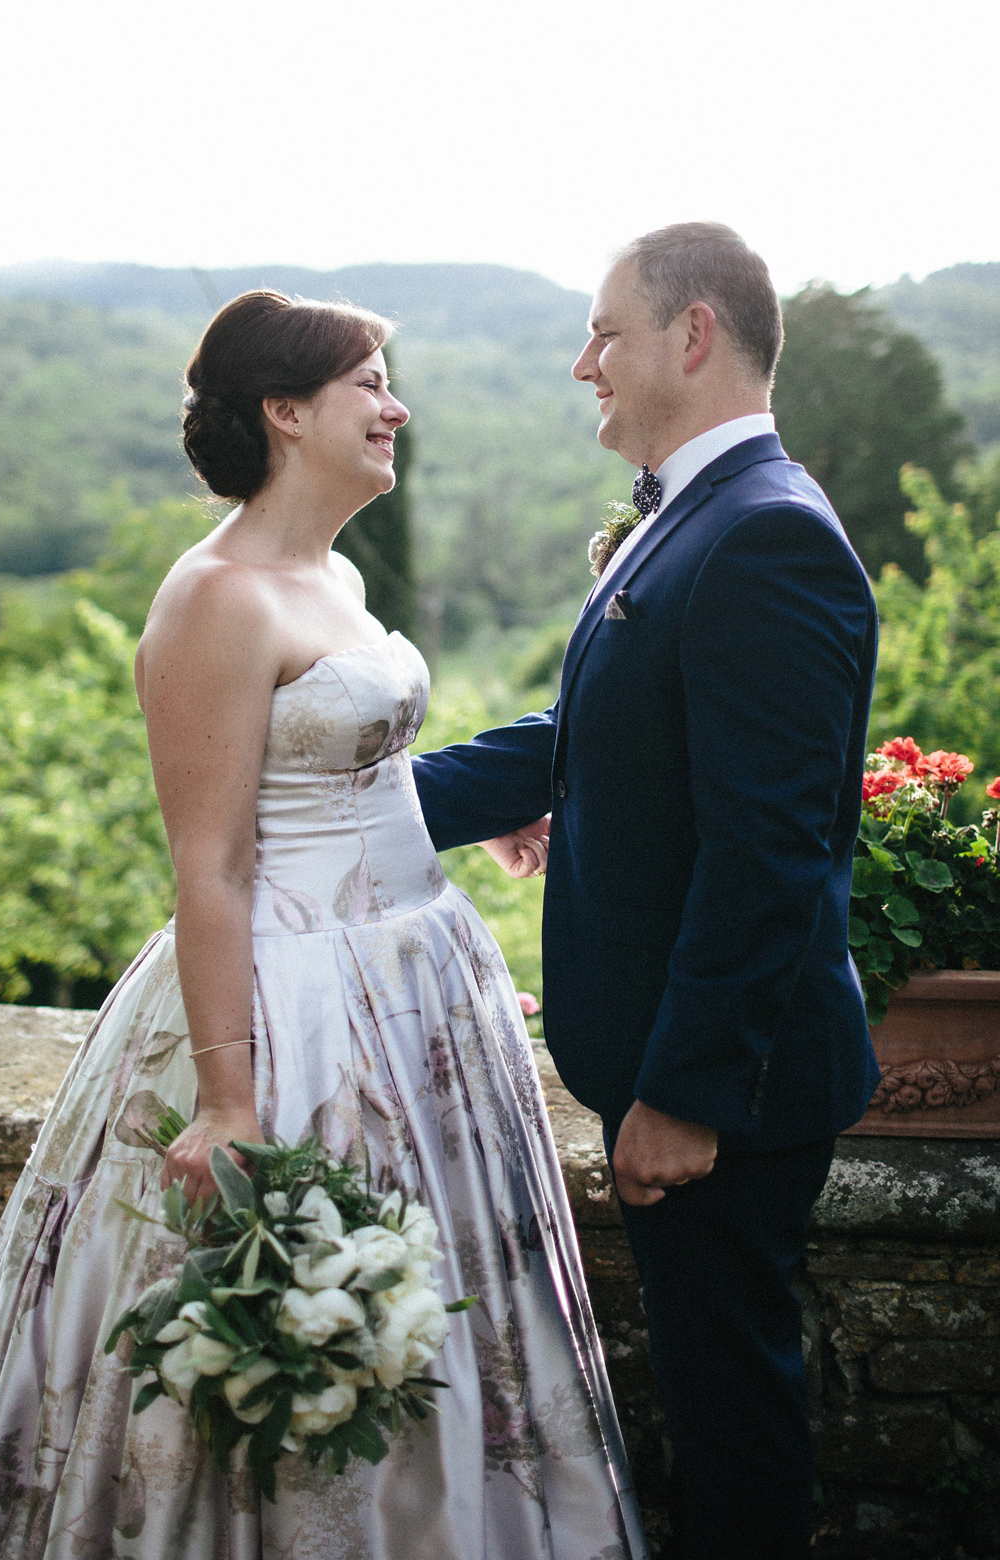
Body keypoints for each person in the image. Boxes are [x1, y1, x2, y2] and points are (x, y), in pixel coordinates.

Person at [0, 290, 645, 1560]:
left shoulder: (339, 573)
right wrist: (230, 1103)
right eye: (369, 381)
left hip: (418, 980)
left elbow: (343, 779)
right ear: (286, 412)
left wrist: (452, 826)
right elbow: (212, 864)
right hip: (291, 1005)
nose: (394, 405)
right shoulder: (214, 599)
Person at [411, 224, 881, 1560]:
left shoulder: (767, 537)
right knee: (706, 1394)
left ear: (693, 336)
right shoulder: (696, 522)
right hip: (680, 1074)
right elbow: (587, 738)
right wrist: (357, 800)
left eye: (606, 332)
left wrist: (681, 1094)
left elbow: (768, 853)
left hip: (726, 1095)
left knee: (733, 1415)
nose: (582, 363)